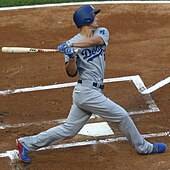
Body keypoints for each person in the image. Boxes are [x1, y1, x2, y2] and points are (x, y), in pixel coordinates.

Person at [16, 5, 167, 163]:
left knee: (69, 130)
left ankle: (26, 143)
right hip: (86, 92)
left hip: (91, 92)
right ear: (86, 19)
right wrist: (71, 57)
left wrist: (73, 47)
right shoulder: (70, 43)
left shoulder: (100, 32)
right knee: (122, 116)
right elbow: (71, 73)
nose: (97, 18)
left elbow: (97, 41)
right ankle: (144, 148)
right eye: (94, 16)